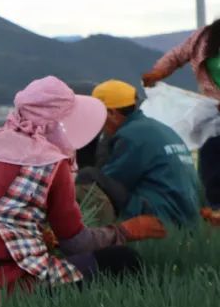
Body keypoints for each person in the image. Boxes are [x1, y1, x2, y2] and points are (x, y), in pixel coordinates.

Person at [0, 76, 166, 298]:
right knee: (123, 260)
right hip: (4, 283)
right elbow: (76, 244)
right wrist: (125, 231)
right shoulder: (51, 163)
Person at [76, 80, 200, 228]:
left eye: (97, 114)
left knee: (89, 176)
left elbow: (112, 180)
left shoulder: (130, 136)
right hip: (186, 215)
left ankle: (91, 233)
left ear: (112, 113)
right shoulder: (156, 128)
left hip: (162, 215)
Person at [142, 19, 220, 222]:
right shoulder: (205, 37)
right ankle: (214, 211)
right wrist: (159, 72)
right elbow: (178, 55)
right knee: (211, 158)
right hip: (212, 111)